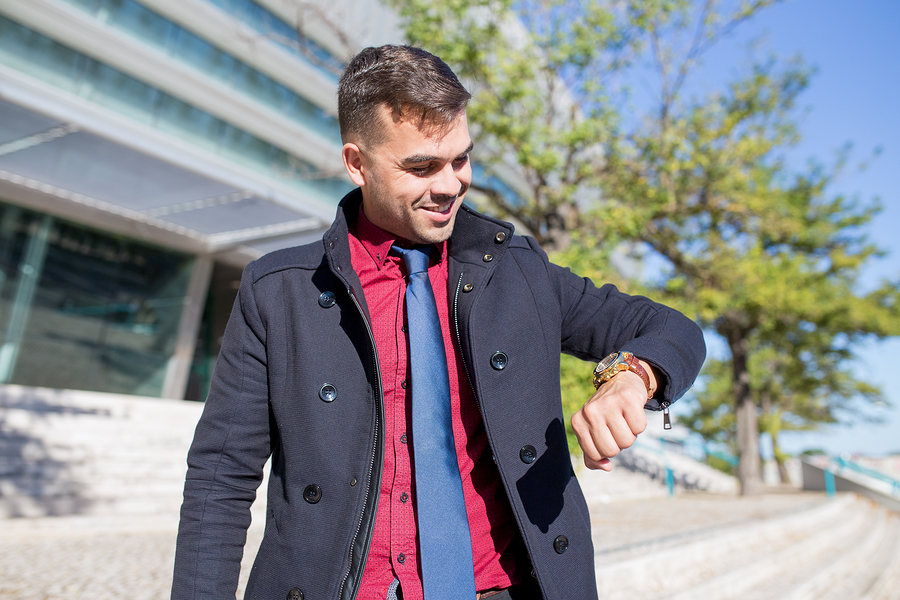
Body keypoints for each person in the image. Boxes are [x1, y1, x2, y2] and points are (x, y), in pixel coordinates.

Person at [172, 45, 705, 600]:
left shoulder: (520, 271)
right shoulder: (277, 291)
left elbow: (671, 327)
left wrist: (631, 374)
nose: (450, 185)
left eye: (461, 159)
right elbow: (220, 478)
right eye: (422, 167)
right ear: (357, 164)